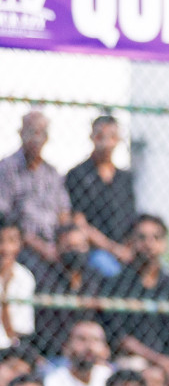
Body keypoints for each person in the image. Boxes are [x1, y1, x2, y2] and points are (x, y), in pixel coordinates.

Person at [101, 214, 169, 370]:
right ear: (130, 243)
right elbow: (121, 339)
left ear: (164, 244)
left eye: (156, 238)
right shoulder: (116, 284)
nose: (149, 244)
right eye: (142, 238)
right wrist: (160, 361)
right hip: (131, 361)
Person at [64, 115, 135, 278]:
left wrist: (128, 249)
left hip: (125, 248)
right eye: (100, 136)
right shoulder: (78, 175)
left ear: (118, 139)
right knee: (113, 272)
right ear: (92, 137)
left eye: (111, 136)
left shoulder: (125, 178)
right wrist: (113, 249)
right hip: (94, 249)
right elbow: (79, 221)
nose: (106, 142)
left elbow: (132, 218)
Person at [0, 111, 71, 270]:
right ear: (20, 133)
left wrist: (63, 242)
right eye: (32, 132)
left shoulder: (52, 173)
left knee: (78, 264)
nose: (36, 138)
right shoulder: (6, 169)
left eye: (42, 133)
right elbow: (5, 218)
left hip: (53, 242)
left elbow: (64, 214)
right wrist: (39, 245)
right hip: (23, 244)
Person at [33, 223, 104, 360]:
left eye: (80, 246)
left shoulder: (94, 279)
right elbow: (44, 329)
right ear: (58, 249)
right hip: (53, 353)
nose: (76, 252)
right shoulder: (46, 280)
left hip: (91, 353)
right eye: (69, 247)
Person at [0, 216, 37, 352]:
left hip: (11, 349)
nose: (5, 248)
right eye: (1, 241)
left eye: (11, 241)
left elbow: (17, 334)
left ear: (20, 245)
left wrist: (5, 289)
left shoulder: (24, 277)